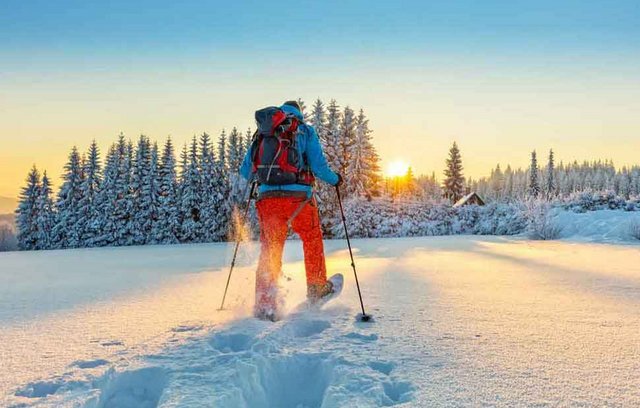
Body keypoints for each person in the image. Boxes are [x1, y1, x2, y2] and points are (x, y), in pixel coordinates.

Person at [239, 100, 342, 321]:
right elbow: (318, 167)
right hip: (299, 199)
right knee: (311, 238)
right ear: (299, 113)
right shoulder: (304, 130)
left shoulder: (263, 133)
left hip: (268, 201)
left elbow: (246, 171)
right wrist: (336, 180)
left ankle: (265, 303)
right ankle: (316, 287)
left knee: (271, 248)